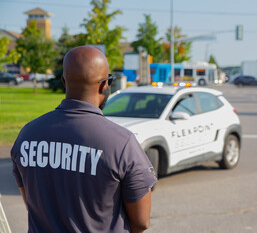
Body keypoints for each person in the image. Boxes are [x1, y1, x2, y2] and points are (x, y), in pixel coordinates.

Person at [11, 45, 157, 233]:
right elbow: (141, 222)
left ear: (64, 81)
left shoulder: (27, 135)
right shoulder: (122, 143)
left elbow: (31, 203)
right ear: (104, 84)